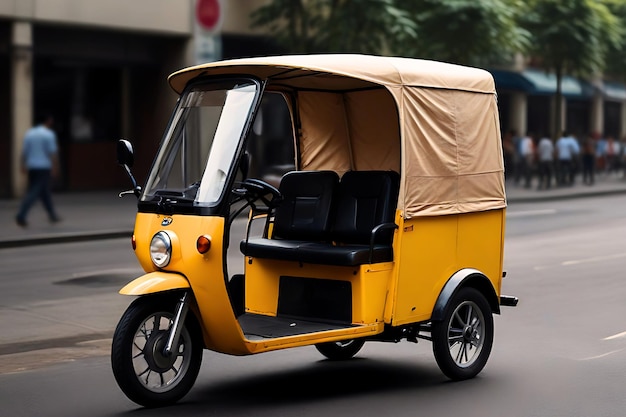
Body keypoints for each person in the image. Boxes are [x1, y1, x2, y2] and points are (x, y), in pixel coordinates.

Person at [15, 114, 62, 227]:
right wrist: (55, 167)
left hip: (32, 167)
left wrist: (22, 165)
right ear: (48, 121)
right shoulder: (48, 134)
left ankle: (52, 215)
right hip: (43, 167)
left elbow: (24, 152)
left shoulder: (29, 133)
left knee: (44, 192)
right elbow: (52, 153)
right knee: (34, 191)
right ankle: (21, 215)